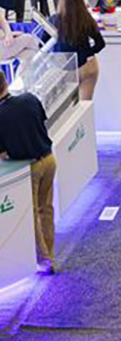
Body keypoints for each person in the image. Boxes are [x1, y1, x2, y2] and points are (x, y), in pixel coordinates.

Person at [0, 68, 57, 274]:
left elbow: (3, 153)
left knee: (32, 215)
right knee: (46, 209)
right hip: (49, 159)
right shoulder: (30, 98)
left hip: (29, 169)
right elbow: (42, 121)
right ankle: (50, 253)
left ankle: (44, 260)